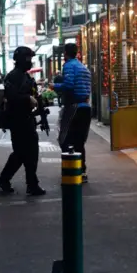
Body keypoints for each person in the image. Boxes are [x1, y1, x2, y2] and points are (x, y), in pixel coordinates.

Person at [0, 46, 46, 196]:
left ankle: (12, 180)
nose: (30, 62)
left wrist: (42, 113)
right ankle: (30, 184)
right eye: (28, 59)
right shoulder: (13, 76)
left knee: (25, 153)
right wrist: (27, 98)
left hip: (27, 119)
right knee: (24, 153)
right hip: (17, 121)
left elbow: (34, 96)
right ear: (21, 59)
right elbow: (12, 97)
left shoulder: (25, 76)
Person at [50, 43, 92, 184]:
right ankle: (82, 171)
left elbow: (68, 85)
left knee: (65, 138)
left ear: (65, 54)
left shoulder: (69, 65)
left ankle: (69, 170)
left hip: (73, 107)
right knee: (79, 141)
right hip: (86, 107)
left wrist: (53, 86)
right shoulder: (84, 68)